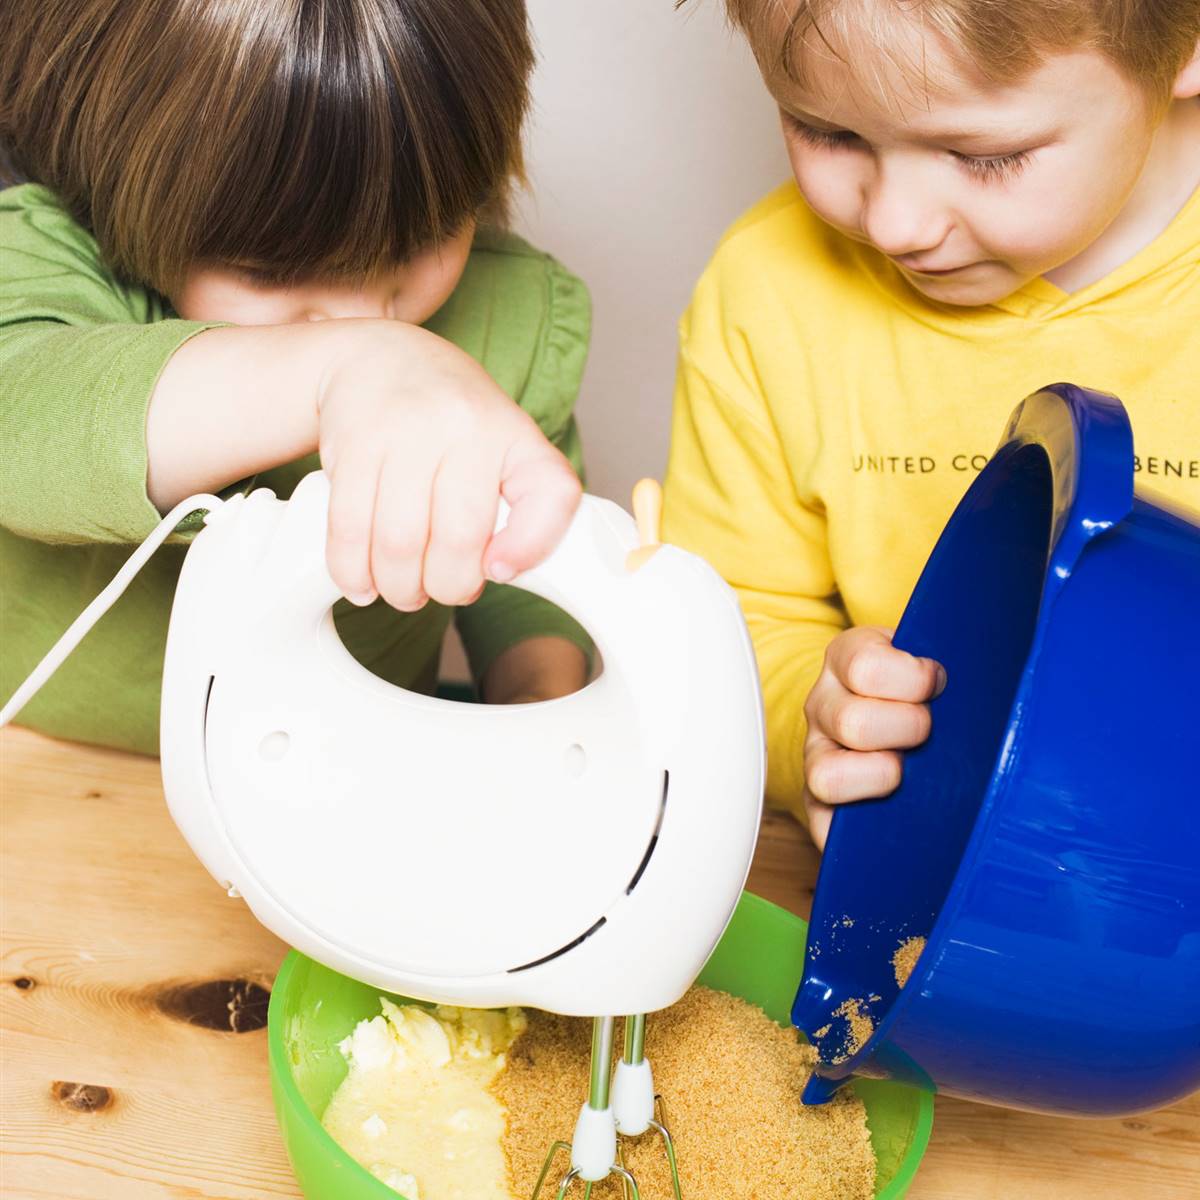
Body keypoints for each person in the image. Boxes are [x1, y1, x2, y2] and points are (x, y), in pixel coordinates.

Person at [664, 0, 1200, 846]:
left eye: (984, 157)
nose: (894, 224)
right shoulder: (766, 294)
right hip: (954, 881)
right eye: (827, 133)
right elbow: (731, 621)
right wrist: (818, 718)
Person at [0, 0, 593, 753]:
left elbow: (522, 574)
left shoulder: (514, 315)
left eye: (422, 242)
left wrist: (540, 699)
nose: (361, 313)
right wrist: (349, 369)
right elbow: (24, 423)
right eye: (273, 269)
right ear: (119, 178)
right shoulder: (36, 260)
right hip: (47, 767)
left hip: (344, 776)